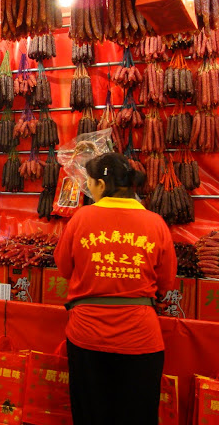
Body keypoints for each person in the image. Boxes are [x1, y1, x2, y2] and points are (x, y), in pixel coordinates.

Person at [54, 152, 177, 425]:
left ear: (100, 185)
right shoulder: (156, 223)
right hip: (140, 339)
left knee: (91, 416)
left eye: (90, 182)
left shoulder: (81, 218)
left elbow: (63, 268)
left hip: (87, 336)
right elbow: (166, 283)